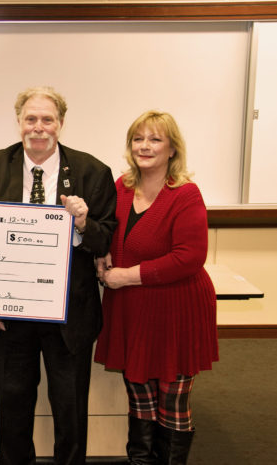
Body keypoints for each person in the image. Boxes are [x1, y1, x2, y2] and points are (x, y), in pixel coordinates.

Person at [0, 86, 117, 465]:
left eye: (48, 120)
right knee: (12, 407)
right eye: (30, 119)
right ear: (19, 122)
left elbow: (107, 237)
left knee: (70, 410)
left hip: (69, 312)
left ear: (61, 124)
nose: (39, 128)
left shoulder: (93, 171)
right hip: (11, 313)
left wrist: (84, 222)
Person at [95, 111, 219, 465]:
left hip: (176, 309)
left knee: (171, 399)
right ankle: (140, 459)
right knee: (139, 393)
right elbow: (108, 232)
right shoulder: (121, 187)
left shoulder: (185, 194)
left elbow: (189, 257)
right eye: (138, 138)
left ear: (172, 150)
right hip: (131, 309)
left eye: (155, 139)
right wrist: (101, 255)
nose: (144, 146)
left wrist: (126, 276)